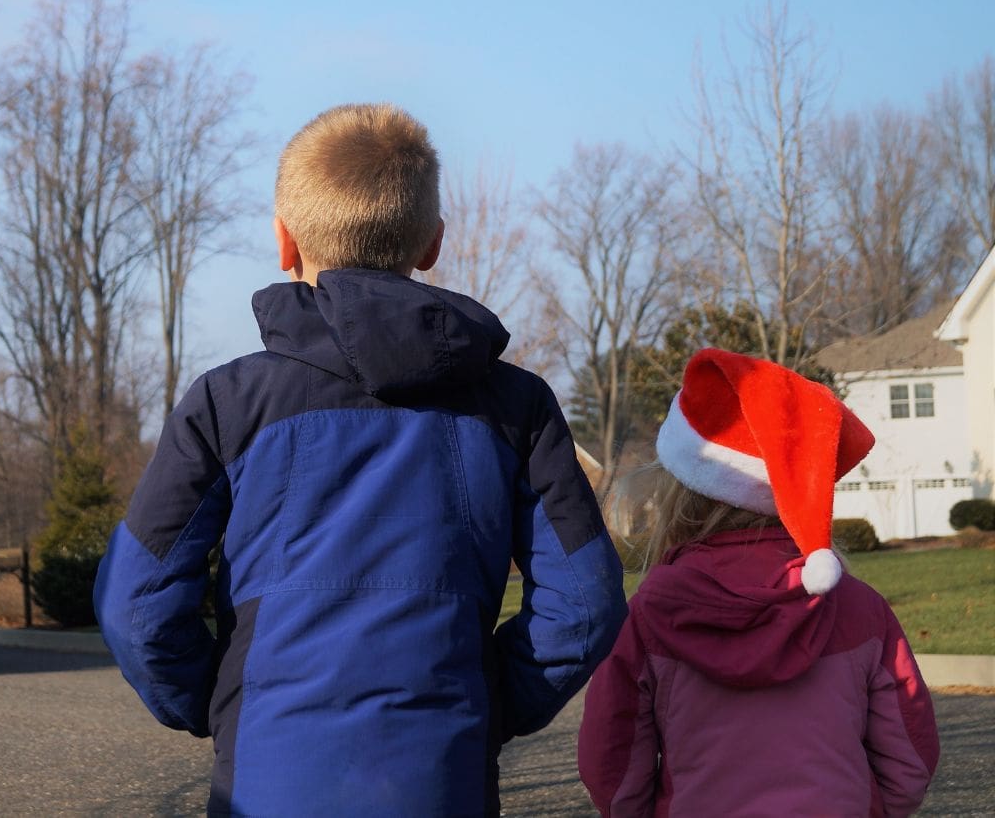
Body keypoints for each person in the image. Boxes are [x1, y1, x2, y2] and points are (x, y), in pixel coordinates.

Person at [93, 103, 628, 816]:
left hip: (265, 778)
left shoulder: (226, 403)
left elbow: (137, 606)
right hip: (445, 780)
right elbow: (586, 602)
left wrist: (226, 703)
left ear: (284, 240)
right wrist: (487, 702)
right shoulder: (516, 407)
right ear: (433, 242)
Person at [577, 349, 939, 817]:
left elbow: (613, 760)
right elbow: (909, 754)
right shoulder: (857, 608)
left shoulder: (650, 614)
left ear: (678, 493)